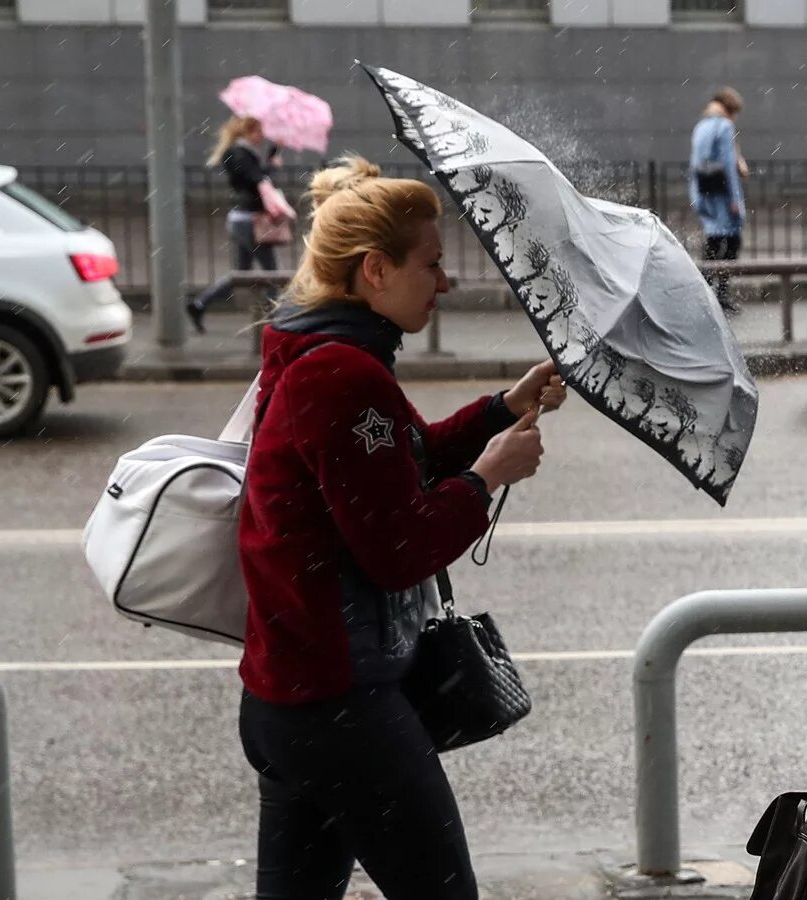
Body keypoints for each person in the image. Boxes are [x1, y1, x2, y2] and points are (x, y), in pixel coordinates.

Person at [236, 155, 568, 900]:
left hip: (290, 702)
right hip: (343, 708)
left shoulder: (320, 355)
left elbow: (398, 461)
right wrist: (489, 476)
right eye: (432, 264)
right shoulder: (343, 375)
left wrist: (499, 410)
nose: (445, 282)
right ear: (375, 272)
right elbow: (396, 548)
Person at [186, 116, 291, 334]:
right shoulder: (240, 154)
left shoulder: (239, 153)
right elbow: (257, 180)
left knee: (241, 274)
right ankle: (276, 323)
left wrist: (273, 154)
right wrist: (272, 166)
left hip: (241, 219)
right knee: (273, 274)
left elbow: (256, 177)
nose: (261, 136)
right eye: (258, 131)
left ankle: (200, 304)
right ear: (247, 132)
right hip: (250, 221)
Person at [689, 86, 747, 313]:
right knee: (731, 244)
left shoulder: (701, 127)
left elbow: (695, 166)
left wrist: (696, 197)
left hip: (705, 195)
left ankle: (704, 297)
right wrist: (735, 200)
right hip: (722, 196)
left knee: (712, 246)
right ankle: (720, 295)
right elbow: (729, 166)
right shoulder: (724, 127)